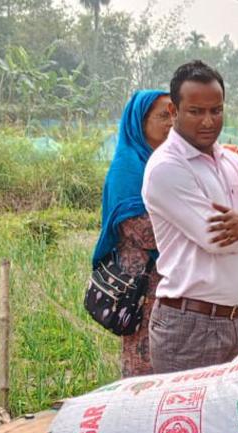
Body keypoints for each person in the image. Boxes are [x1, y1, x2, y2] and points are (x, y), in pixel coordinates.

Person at [142, 60, 238, 373]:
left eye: (216, 110)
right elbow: (218, 240)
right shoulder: (167, 168)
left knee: (230, 420)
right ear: (174, 112)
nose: (208, 121)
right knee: (196, 421)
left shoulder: (230, 160)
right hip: (190, 328)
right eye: (196, 111)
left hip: (233, 320)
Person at [91, 89, 173, 377]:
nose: (171, 123)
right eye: (163, 116)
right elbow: (141, 230)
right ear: (140, 121)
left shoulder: (165, 163)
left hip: (168, 276)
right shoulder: (128, 168)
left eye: (175, 114)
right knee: (144, 358)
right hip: (142, 281)